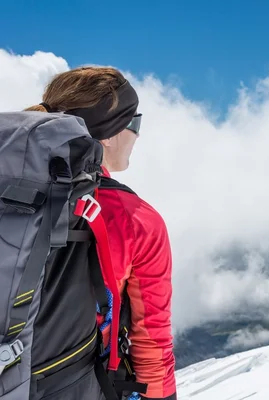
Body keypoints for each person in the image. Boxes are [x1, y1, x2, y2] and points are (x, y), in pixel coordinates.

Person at [25, 66, 177, 400]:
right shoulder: (136, 219)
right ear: (107, 134)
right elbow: (151, 343)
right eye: (134, 123)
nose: (137, 135)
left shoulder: (12, 193)